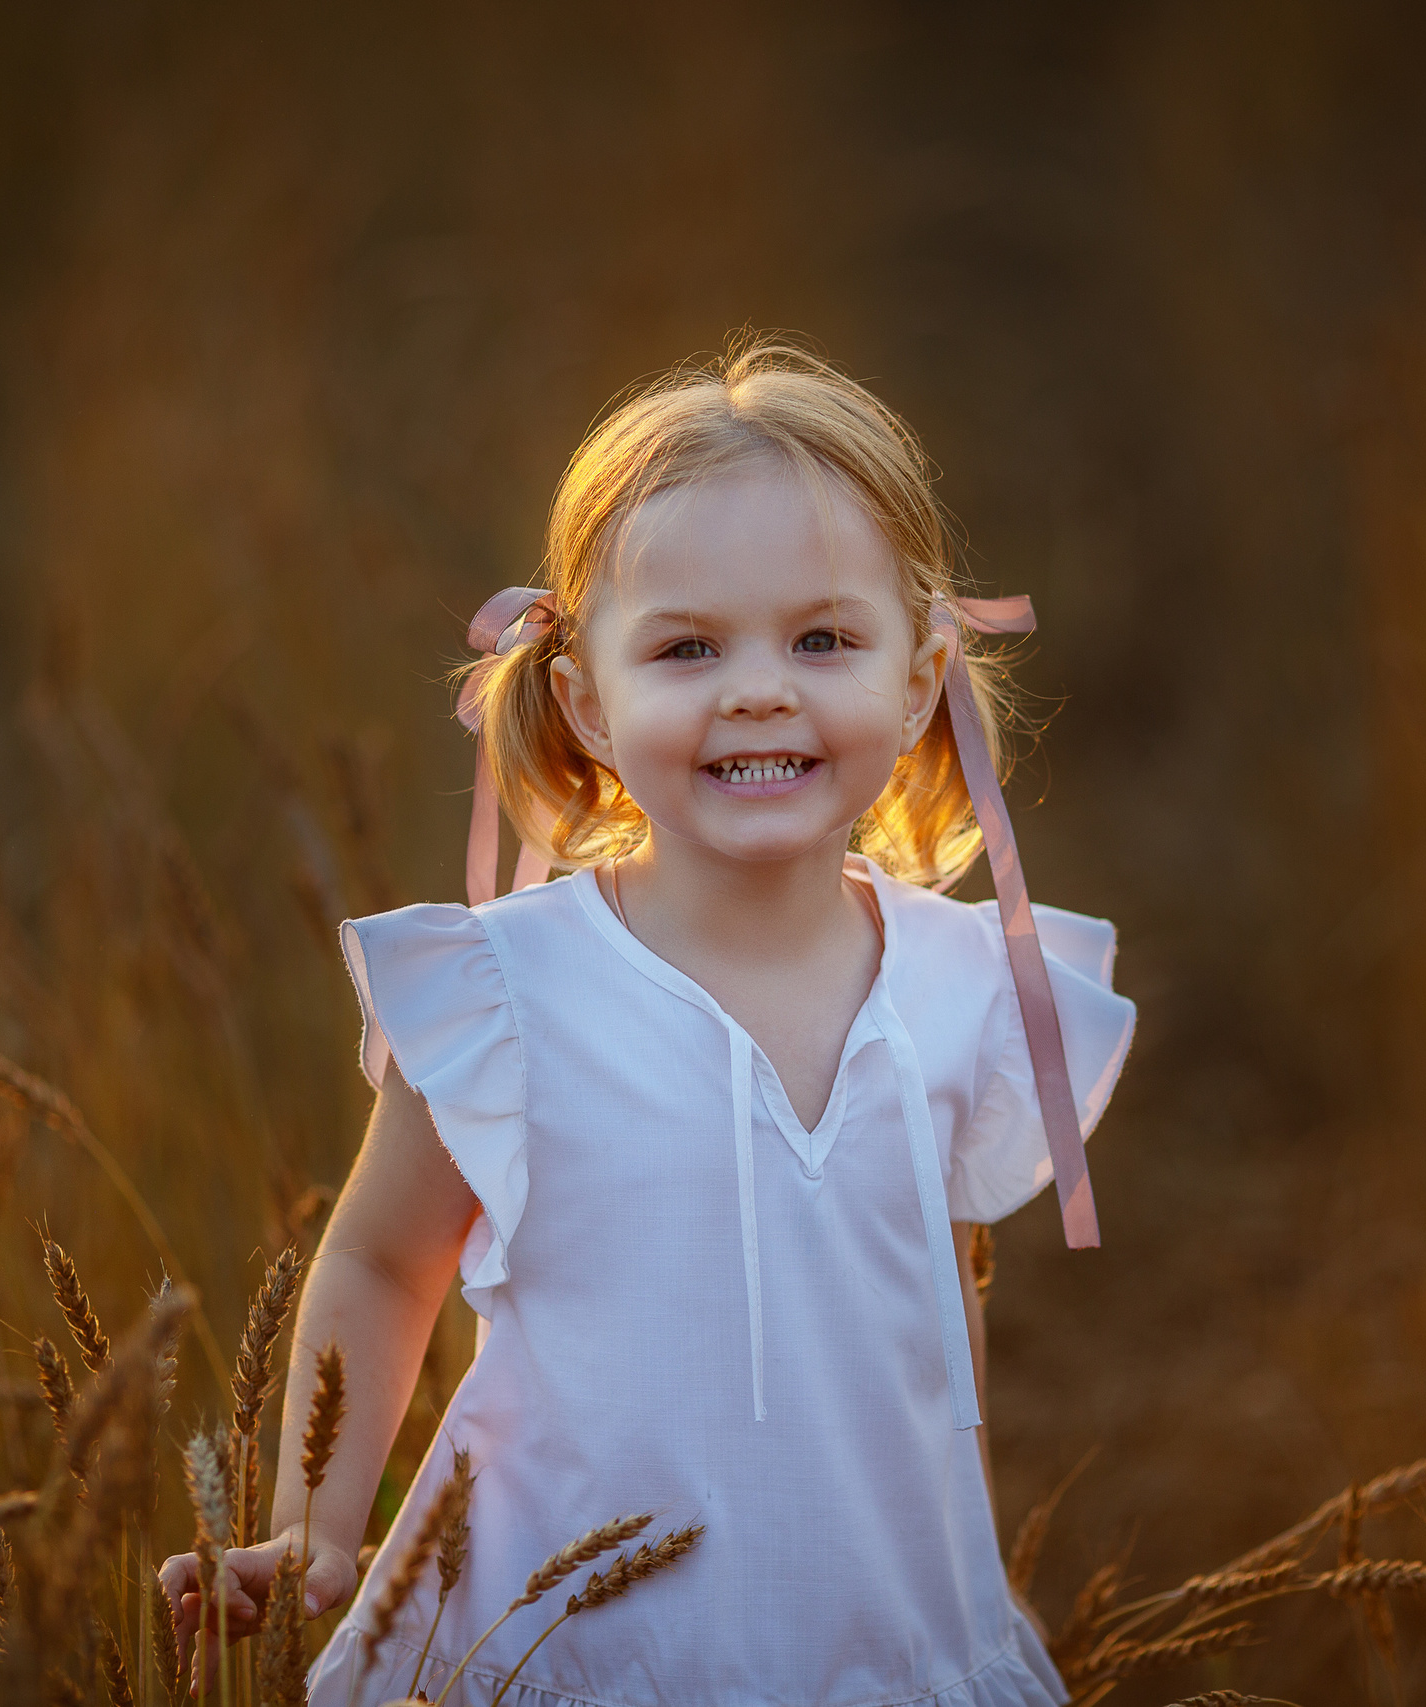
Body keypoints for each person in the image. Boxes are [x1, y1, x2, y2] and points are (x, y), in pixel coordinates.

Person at [160, 336, 1137, 1705]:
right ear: (588, 700)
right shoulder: (510, 994)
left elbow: (925, 1310)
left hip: (873, 1637)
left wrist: (946, 1561)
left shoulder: (968, 987)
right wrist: (316, 1525)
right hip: (578, 1640)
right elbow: (384, 1262)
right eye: (687, 648)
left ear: (917, 678)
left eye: (821, 639)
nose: (757, 688)